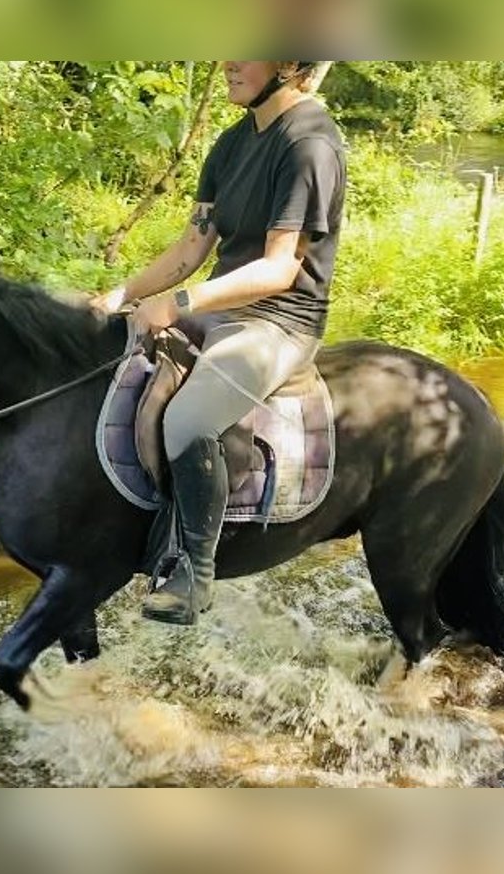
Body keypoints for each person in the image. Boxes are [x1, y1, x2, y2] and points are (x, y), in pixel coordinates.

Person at [92, 60, 347, 625]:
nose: (229, 61)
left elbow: (280, 269)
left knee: (187, 421)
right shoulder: (233, 142)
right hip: (222, 310)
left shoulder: (310, 146)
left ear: (287, 64)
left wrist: (180, 304)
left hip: (278, 321)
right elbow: (191, 248)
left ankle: (194, 572)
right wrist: (121, 295)